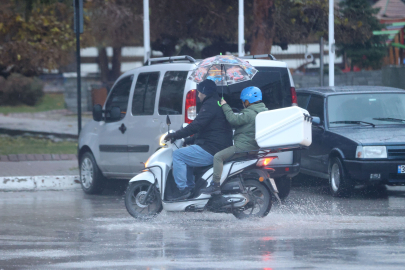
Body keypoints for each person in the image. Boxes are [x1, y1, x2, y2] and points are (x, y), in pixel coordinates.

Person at [164, 79, 233, 200]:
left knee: (178, 155)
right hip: (217, 145)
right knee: (188, 156)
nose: (198, 95)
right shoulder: (217, 103)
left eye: (199, 92)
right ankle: (191, 189)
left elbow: (197, 125)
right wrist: (190, 140)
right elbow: (208, 128)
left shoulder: (210, 105)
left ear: (204, 92)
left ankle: (183, 190)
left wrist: (176, 135)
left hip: (212, 148)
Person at [201, 86, 268, 194]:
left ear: (247, 101)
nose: (242, 103)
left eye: (243, 101)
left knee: (218, 157)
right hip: (253, 146)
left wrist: (224, 105)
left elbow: (233, 120)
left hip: (243, 146)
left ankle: (215, 185)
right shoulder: (263, 111)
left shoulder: (250, 113)